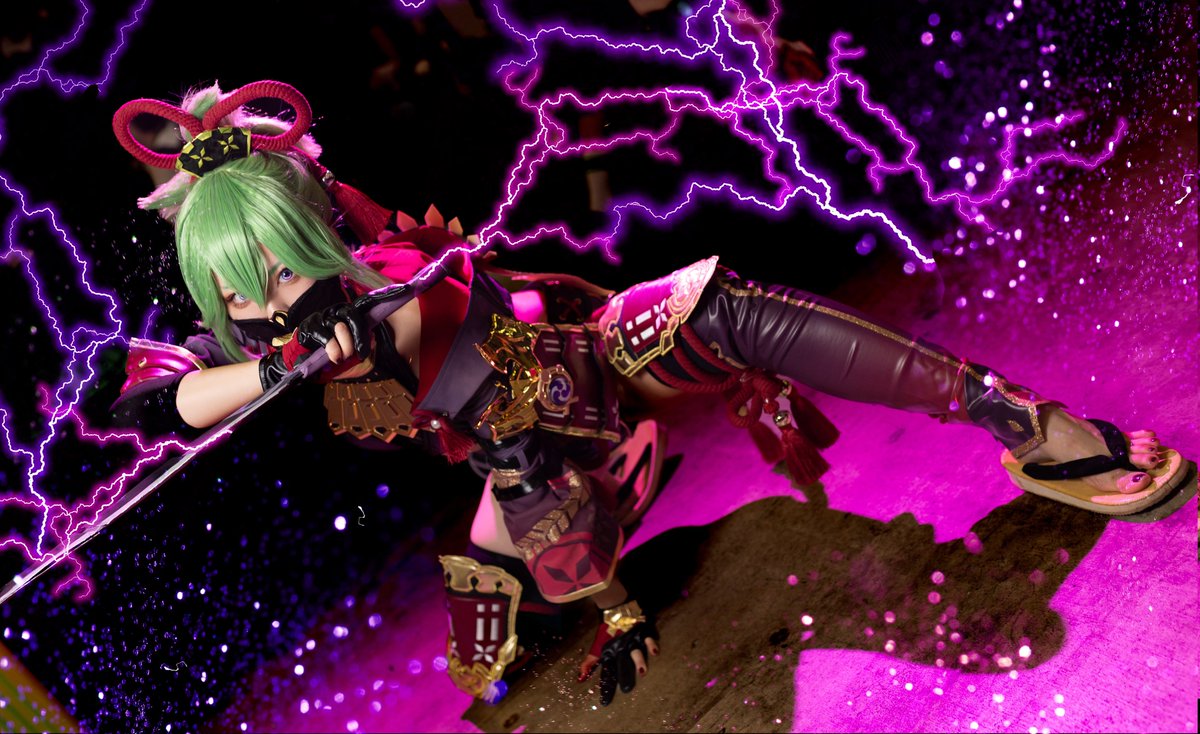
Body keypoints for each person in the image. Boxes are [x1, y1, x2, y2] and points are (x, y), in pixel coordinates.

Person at [110, 81, 1189, 707]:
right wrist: (272, 362)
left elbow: (399, 296)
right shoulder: (273, 341)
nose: (269, 301)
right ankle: (600, 572)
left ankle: (1022, 419)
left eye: (283, 269)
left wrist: (339, 310)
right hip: (518, 454)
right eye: (239, 290)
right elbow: (165, 400)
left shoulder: (375, 264)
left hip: (577, 356)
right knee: (505, 601)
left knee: (718, 308)